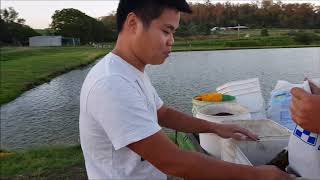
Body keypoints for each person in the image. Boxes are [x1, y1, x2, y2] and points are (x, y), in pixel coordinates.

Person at [79, 0, 294, 179]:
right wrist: (257, 175)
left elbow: (162, 113)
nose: (171, 41)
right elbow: (172, 161)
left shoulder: (130, 72)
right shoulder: (111, 83)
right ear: (133, 23)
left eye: (173, 32)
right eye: (166, 31)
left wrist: (215, 127)